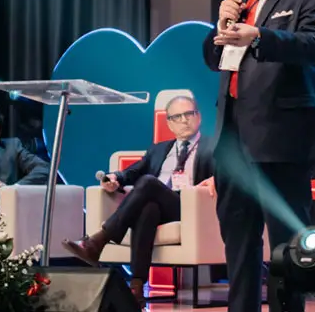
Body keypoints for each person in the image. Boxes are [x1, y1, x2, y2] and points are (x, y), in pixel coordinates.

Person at [202, 0, 315, 312]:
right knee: (238, 248)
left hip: (281, 139)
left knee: (287, 250)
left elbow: (313, 45)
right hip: (231, 141)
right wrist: (220, 27)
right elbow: (214, 58)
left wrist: (258, 36)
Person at [61, 95, 215, 307]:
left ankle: (100, 239)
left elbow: (231, 174)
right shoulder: (158, 149)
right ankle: (136, 288)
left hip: (188, 207)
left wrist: (217, 179)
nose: (184, 120)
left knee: (149, 182)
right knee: (148, 209)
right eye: (177, 117)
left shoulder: (214, 146)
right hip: (159, 205)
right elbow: (133, 172)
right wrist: (115, 177)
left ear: (198, 116)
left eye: (189, 114)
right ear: (169, 123)